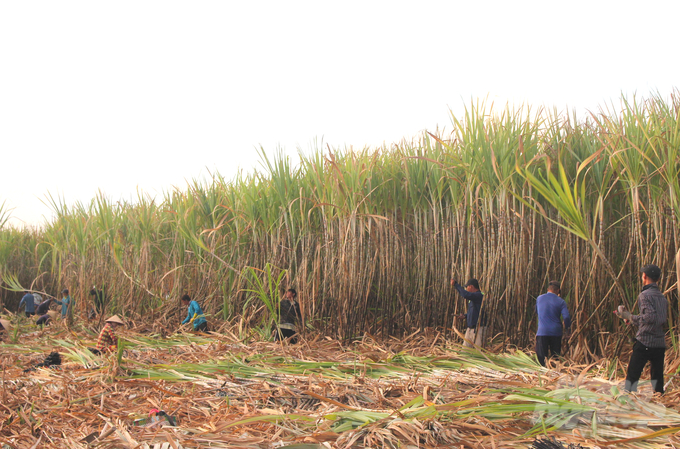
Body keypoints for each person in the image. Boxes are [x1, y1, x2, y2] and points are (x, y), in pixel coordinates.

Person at [615, 264, 668, 394]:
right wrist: (632, 320)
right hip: (659, 343)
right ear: (658, 279)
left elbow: (649, 318)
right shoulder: (662, 297)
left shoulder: (645, 295)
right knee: (657, 379)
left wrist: (630, 316)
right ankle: (659, 402)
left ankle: (628, 399)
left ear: (644, 276)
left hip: (645, 342)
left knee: (632, 375)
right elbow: (657, 320)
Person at [535, 281, 571, 366]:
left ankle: (543, 375)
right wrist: (568, 330)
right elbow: (566, 317)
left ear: (548, 289)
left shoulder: (539, 298)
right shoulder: (561, 301)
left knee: (541, 359)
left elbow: (537, 312)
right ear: (558, 290)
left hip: (542, 332)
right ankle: (555, 375)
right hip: (556, 332)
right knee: (555, 357)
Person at [451, 278, 486, 347]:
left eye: (467, 287)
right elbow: (475, 311)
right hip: (470, 329)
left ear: (471, 287)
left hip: (478, 329)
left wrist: (456, 285)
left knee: (478, 352)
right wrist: (465, 316)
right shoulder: (473, 298)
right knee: (465, 352)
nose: (466, 289)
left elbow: (465, 295)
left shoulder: (479, 295)